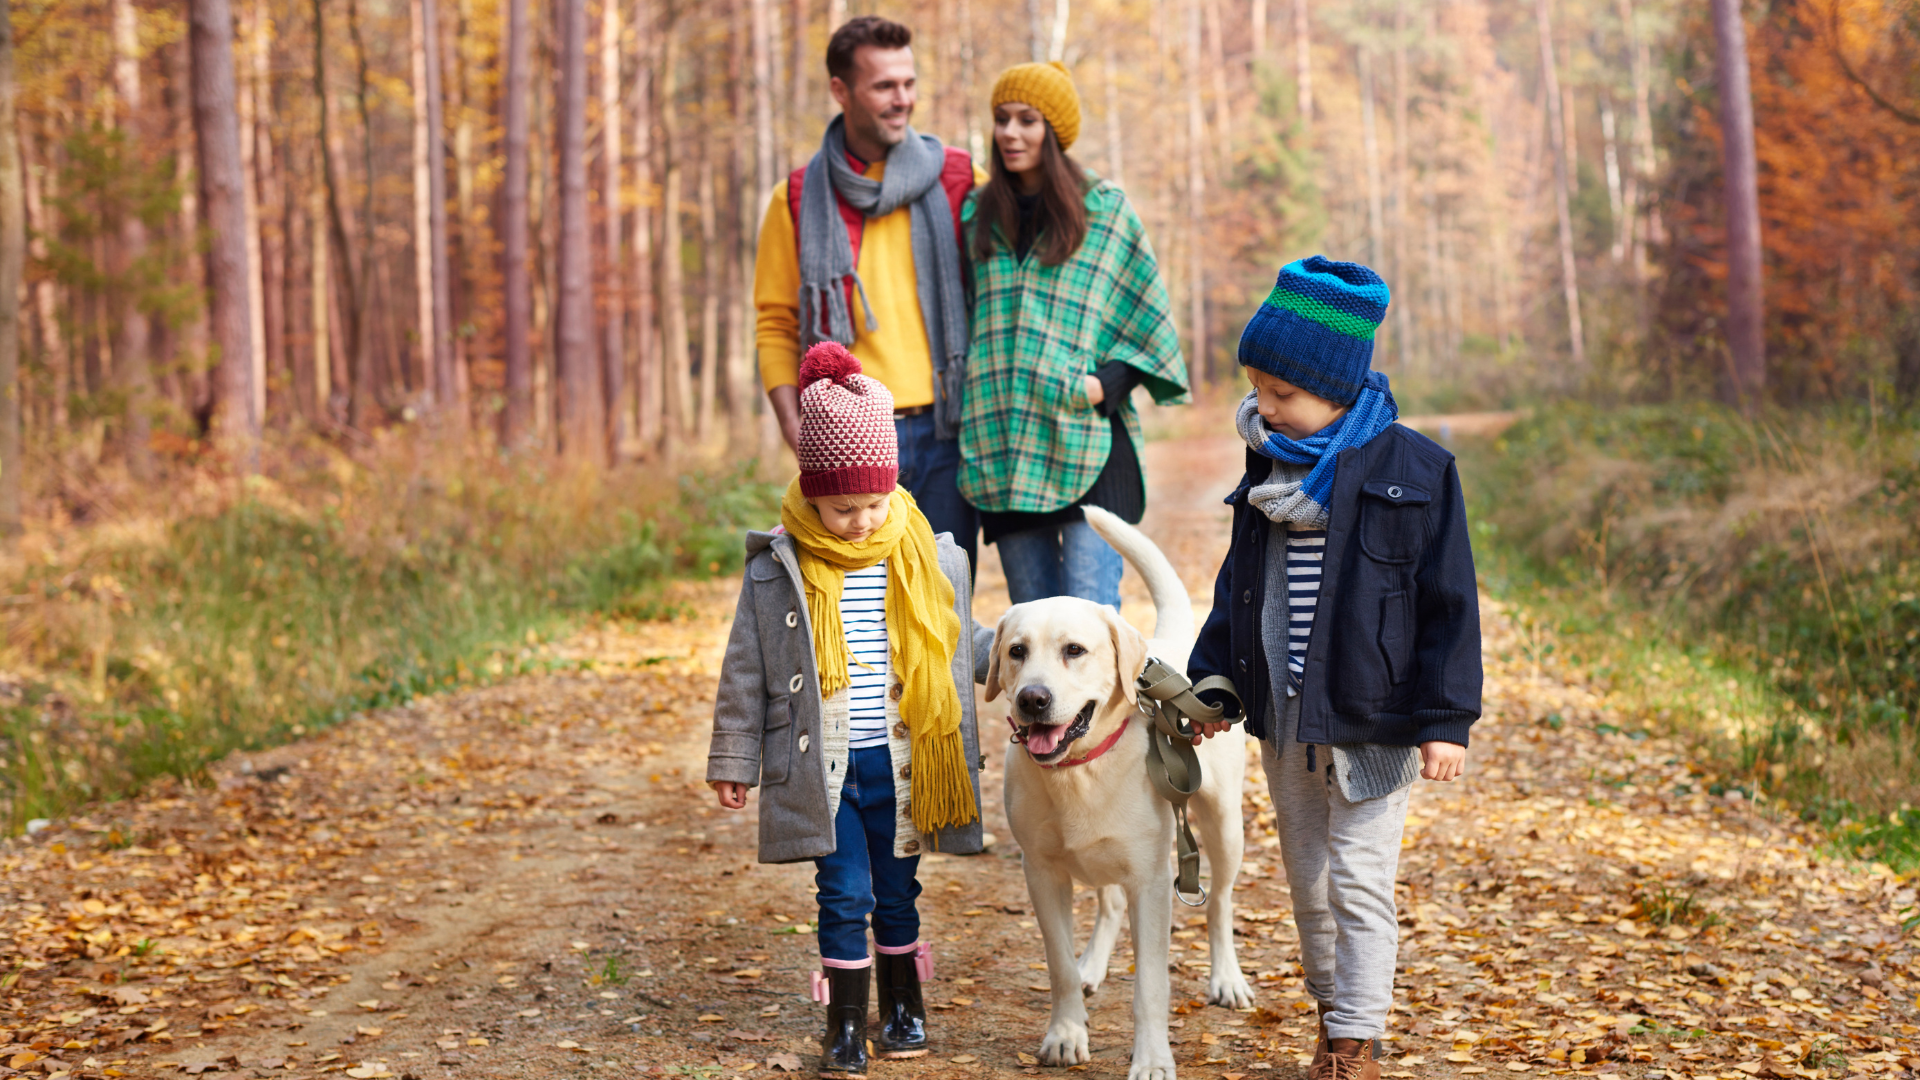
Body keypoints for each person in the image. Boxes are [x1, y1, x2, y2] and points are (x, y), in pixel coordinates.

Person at [1186, 258, 1483, 1080]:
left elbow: (1449, 602)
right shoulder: (1267, 469)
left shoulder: (1417, 472)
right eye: (1257, 387)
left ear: (1337, 387)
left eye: (1283, 392)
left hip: (1373, 719)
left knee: (1358, 881)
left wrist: (1446, 719)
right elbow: (1238, 592)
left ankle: (1358, 1041)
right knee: (1310, 885)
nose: (1266, 407)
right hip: (1285, 721)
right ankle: (1332, 1017)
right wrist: (1214, 684)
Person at [706, 343, 992, 1079]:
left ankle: (903, 1009)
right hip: (825, 768)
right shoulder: (779, 567)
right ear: (811, 492)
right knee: (843, 893)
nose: (861, 522)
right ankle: (843, 1024)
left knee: (897, 893)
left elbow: (964, 645)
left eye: (872, 504)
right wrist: (734, 760)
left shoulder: (928, 555)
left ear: (892, 489)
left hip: (899, 764)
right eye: (841, 507)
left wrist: (1031, 675)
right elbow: (746, 669)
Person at [754, 16, 985, 573]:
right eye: (884, 85)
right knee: (858, 613)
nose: (901, 98)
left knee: (944, 601)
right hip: (845, 440)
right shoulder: (797, 196)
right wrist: (794, 425)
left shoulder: (958, 178)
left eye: (908, 83)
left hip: (947, 428)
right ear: (841, 90)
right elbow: (776, 324)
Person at [956, 62, 1188, 609]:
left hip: (1091, 442)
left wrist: (1102, 386)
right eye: (1001, 119)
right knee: (1034, 631)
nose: (1010, 133)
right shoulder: (975, 215)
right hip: (1006, 443)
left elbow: (1147, 317)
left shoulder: (1103, 211)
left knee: (1090, 622)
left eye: (1027, 120)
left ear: (1054, 130)